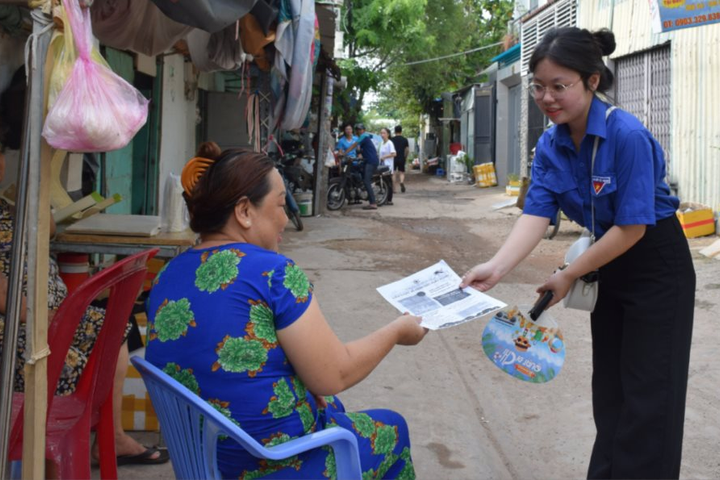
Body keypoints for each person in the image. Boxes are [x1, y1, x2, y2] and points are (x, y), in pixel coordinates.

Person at [461, 27, 694, 480]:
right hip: (604, 264)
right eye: (538, 86)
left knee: (650, 396)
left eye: (559, 86)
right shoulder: (550, 144)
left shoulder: (627, 135)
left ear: (591, 81)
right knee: (611, 392)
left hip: (656, 265)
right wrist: (496, 265)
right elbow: (537, 212)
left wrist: (569, 274)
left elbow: (632, 228)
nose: (547, 98)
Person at [146, 144, 426, 479]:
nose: (285, 216)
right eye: (280, 204)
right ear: (244, 211)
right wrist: (396, 331)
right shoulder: (273, 273)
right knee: (392, 427)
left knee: (328, 403)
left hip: (206, 463)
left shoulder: (167, 274)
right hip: (272, 464)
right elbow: (334, 374)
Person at [0, 68, 169, 470]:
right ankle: (104, 437)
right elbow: (11, 301)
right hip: (25, 342)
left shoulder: (5, 208)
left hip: (49, 322)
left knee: (119, 322)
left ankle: (109, 437)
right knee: (106, 328)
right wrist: (45, 315)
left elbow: (44, 228)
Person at [340, 123, 381, 210]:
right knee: (355, 168)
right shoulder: (362, 139)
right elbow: (360, 151)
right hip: (366, 160)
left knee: (366, 181)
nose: (359, 131)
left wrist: (344, 153)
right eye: (358, 129)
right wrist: (355, 158)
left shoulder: (364, 136)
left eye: (360, 129)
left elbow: (353, 146)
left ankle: (373, 203)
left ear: (364, 130)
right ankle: (359, 188)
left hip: (371, 161)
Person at [379, 127, 396, 206]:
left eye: (384, 133)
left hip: (388, 166)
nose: (382, 135)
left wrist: (384, 157)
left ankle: (389, 199)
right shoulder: (381, 143)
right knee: (383, 182)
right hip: (382, 166)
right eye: (381, 133)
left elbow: (394, 154)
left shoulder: (390, 143)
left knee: (388, 182)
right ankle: (385, 198)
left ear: (388, 134)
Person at [390, 126, 409, 193]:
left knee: (393, 173)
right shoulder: (404, 139)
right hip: (401, 158)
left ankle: (394, 189)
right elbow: (407, 149)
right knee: (401, 172)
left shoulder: (392, 140)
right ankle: (401, 182)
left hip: (393, 158)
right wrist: (405, 157)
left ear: (395, 131)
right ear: (401, 131)